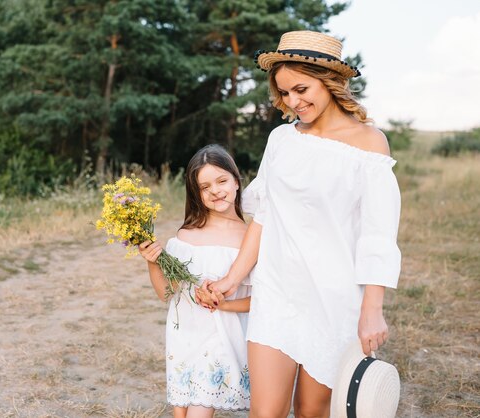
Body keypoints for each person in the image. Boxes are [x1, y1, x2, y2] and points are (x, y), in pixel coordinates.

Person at [207, 30, 402, 418]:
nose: (292, 102)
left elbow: (377, 235)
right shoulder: (281, 139)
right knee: (265, 413)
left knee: (312, 412)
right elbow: (265, 217)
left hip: (333, 298)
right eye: (284, 94)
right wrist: (231, 279)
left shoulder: (369, 144)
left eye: (301, 89)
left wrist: (371, 308)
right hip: (276, 293)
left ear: (329, 82)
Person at [139, 144, 252, 418]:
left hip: (223, 336)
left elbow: (260, 300)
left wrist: (221, 304)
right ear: (196, 194)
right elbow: (168, 294)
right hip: (185, 336)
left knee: (197, 412)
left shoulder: (250, 239)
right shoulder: (186, 236)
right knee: (181, 412)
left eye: (222, 180)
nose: (215, 191)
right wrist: (153, 262)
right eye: (205, 187)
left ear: (236, 181)